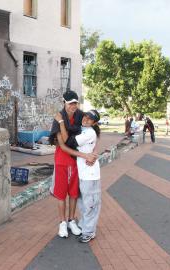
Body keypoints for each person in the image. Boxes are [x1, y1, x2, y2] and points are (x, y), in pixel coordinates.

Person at [49, 90, 97, 238]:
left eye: (75, 103)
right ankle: (62, 223)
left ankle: (71, 221)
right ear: (64, 103)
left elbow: (94, 131)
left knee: (74, 193)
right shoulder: (58, 117)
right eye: (70, 103)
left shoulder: (81, 115)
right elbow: (63, 144)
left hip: (76, 162)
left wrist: (94, 152)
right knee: (61, 194)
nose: (73, 106)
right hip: (62, 160)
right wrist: (85, 155)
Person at [55, 109, 101, 243]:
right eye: (85, 116)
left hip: (90, 174)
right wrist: (94, 152)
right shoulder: (84, 128)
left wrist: (61, 123)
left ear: (94, 122)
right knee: (83, 202)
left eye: (89, 119)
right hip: (82, 172)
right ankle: (83, 225)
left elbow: (69, 142)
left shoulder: (89, 132)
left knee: (90, 204)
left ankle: (89, 232)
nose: (85, 119)